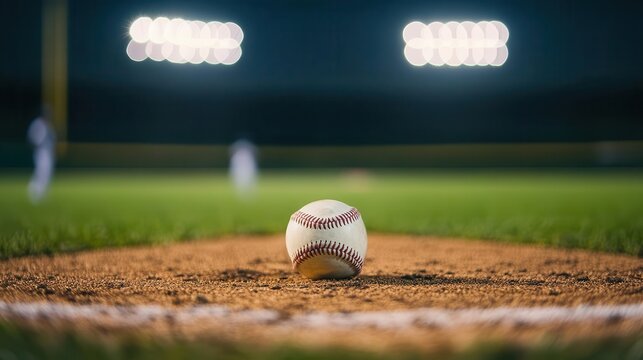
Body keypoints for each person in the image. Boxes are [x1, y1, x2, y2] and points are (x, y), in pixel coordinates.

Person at [27, 115, 56, 204]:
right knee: (41, 172)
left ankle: (42, 194)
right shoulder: (37, 124)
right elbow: (32, 138)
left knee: (46, 173)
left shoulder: (48, 125)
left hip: (48, 152)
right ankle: (33, 190)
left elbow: (53, 139)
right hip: (41, 151)